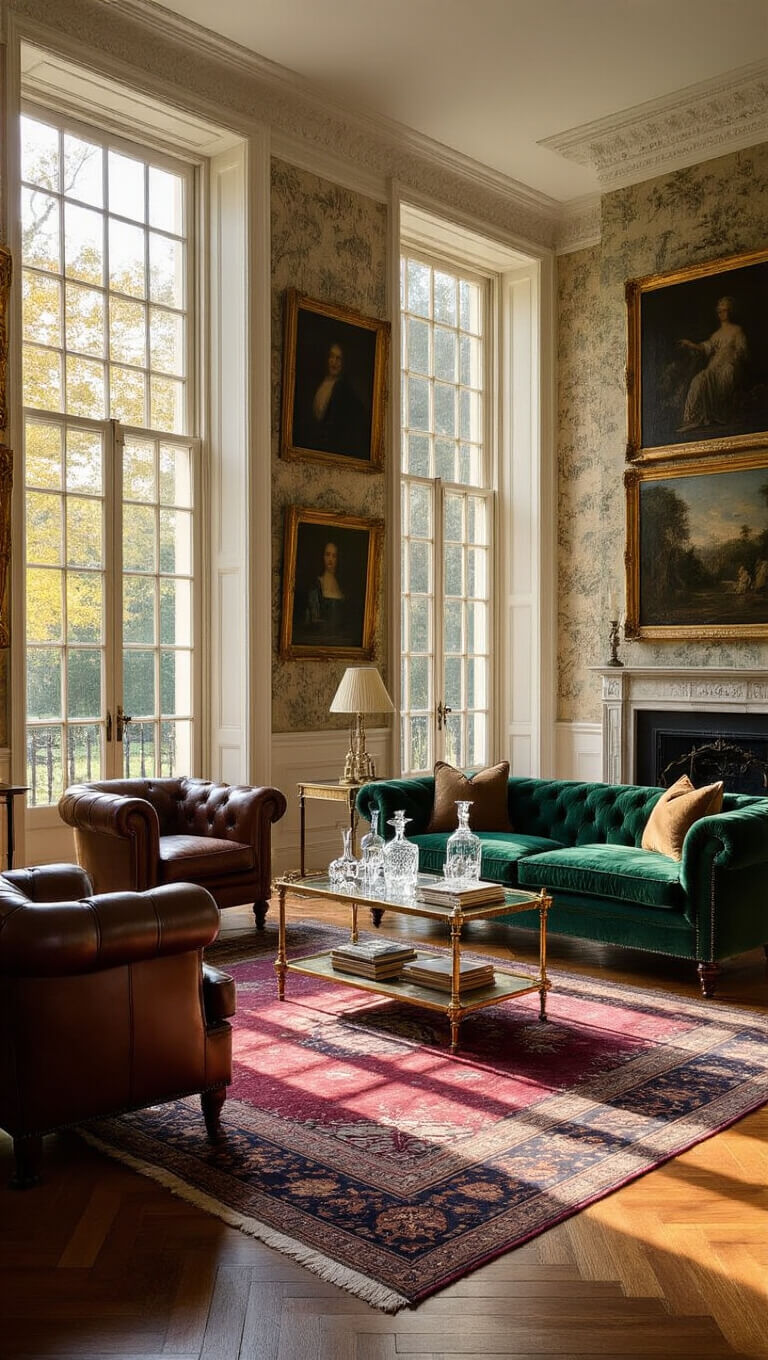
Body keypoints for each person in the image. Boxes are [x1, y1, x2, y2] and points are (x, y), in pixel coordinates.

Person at [677, 296, 748, 432]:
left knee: (724, 376)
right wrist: (690, 344)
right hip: (714, 367)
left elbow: (743, 352)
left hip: (729, 366)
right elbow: (705, 348)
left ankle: (718, 414)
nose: (722, 313)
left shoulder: (737, 330)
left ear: (730, 311)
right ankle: (692, 418)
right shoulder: (716, 334)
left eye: (725, 310)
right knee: (698, 380)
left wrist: (733, 358)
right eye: (720, 311)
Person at [296, 341, 368, 459]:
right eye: (331, 356)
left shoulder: (346, 390)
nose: (334, 362)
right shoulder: (315, 385)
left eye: (338, 358)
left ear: (344, 363)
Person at [303, 541, 349, 642]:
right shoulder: (316, 585)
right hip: (320, 640)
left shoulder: (342, 586)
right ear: (322, 557)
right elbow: (313, 619)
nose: (330, 559)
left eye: (334, 556)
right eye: (327, 555)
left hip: (341, 641)